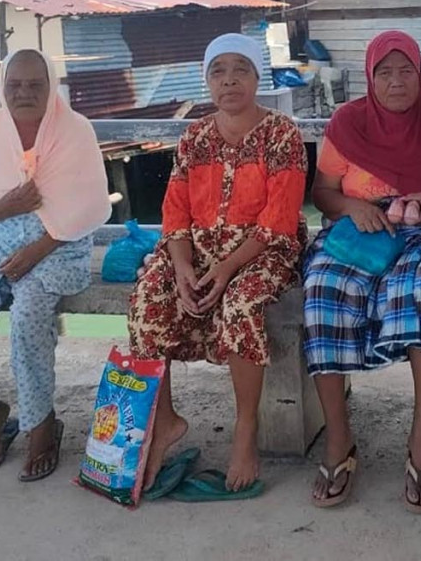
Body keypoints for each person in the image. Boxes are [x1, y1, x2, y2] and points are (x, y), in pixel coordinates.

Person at [129, 33, 307, 495]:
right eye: (218, 71)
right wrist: (183, 268)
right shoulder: (193, 137)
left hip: (264, 250)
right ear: (208, 81)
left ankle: (245, 429)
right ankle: (163, 419)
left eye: (240, 69)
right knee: (149, 293)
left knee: (241, 305)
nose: (229, 80)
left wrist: (226, 269)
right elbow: (175, 214)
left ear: (256, 77)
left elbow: (280, 221)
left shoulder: (281, 134)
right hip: (199, 250)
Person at [303, 31, 421, 512]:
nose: (396, 82)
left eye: (406, 71)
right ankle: (339, 438)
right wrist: (353, 205)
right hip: (359, 228)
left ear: (420, 73)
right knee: (321, 288)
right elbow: (323, 193)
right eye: (384, 73)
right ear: (371, 77)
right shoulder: (348, 122)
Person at [0, 49, 111, 481]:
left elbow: (89, 205)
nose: (24, 93)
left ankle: (40, 425)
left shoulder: (76, 131)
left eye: (35, 84)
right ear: (3, 87)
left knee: (29, 317)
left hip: (57, 248)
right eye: (15, 85)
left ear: (51, 87)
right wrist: (3, 206)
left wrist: (36, 250)